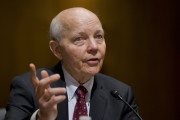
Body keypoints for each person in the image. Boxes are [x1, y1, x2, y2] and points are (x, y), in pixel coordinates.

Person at [5, 7, 140, 120]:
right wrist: (42, 117)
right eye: (79, 39)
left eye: (99, 36)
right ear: (57, 50)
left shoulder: (120, 95)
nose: (94, 47)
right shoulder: (29, 88)